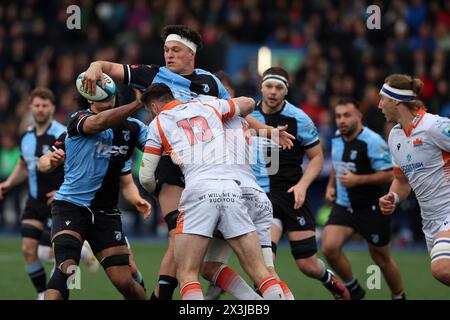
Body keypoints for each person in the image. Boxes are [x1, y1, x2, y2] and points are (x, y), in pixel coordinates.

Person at [82, 24, 293, 300]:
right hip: (174, 164)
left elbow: (236, 114)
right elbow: (113, 67)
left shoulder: (210, 83)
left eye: (175, 51)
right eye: (166, 50)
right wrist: (96, 65)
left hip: (208, 169)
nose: (169, 55)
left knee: (194, 259)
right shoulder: (155, 75)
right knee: (178, 241)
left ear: (191, 54)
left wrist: (267, 131)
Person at [139, 83, 285, 300]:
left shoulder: (158, 122)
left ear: (153, 107)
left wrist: (154, 192)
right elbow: (247, 103)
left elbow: (146, 176)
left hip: (199, 191)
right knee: (262, 272)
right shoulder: (209, 106)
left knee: (188, 273)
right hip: (232, 188)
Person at [251, 67, 350, 299]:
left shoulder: (299, 118)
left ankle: (334, 283)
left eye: (279, 88)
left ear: (286, 91)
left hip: (293, 194)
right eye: (269, 86)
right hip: (263, 197)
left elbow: (316, 157)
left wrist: (303, 185)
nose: (273, 92)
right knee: (265, 266)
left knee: (307, 264)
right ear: (261, 87)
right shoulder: (248, 116)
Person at [44, 87, 150, 300]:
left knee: (124, 282)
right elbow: (45, 160)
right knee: (67, 270)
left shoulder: (133, 129)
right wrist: (48, 163)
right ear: (87, 99)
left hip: (106, 214)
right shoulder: (78, 119)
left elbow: (133, 175)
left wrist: (136, 197)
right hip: (71, 207)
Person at [201, 71, 294, 300]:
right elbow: (248, 116)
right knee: (265, 270)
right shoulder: (239, 118)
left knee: (199, 267)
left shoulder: (203, 116)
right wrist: (270, 131)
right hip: (257, 196)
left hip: (230, 198)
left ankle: (252, 302)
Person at [322, 97, 405, 300]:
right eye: (338, 116)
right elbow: (337, 163)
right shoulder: (336, 136)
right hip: (344, 205)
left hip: (372, 208)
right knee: (329, 248)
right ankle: (354, 290)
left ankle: (399, 296)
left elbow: (389, 174)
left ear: (359, 117)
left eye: (347, 115)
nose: (341, 120)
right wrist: (331, 186)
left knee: (381, 259)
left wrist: (357, 180)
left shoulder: (373, 142)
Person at [378, 74, 450, 286]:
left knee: (441, 268)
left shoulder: (434, 126)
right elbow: (402, 182)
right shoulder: (395, 136)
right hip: (430, 221)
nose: (379, 104)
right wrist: (392, 197)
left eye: (383, 98)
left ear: (396, 101)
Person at [0, 88, 65, 299]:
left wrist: (64, 191)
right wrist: (8, 183)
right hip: (35, 201)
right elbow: (23, 164)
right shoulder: (26, 136)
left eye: (45, 105)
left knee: (59, 254)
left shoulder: (63, 134)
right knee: (29, 250)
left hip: (59, 202)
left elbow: (76, 167)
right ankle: (41, 294)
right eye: (37, 105)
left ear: (52, 108)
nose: (40, 109)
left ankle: (82, 253)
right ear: (30, 108)